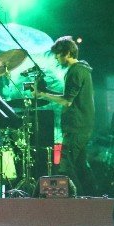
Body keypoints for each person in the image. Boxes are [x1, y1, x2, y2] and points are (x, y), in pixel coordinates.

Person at [33, 36, 94, 196]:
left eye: (58, 55)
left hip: (76, 126)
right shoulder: (81, 70)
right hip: (81, 126)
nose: (56, 59)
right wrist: (45, 92)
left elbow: (67, 101)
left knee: (65, 166)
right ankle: (92, 200)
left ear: (67, 53)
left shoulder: (75, 71)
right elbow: (69, 96)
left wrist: (43, 94)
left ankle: (77, 202)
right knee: (80, 167)